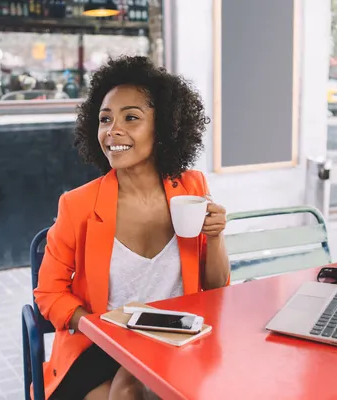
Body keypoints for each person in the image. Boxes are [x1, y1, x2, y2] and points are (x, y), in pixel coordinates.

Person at [34, 56, 231, 400]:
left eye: (131, 118)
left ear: (165, 127)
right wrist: (100, 327)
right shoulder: (78, 205)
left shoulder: (191, 188)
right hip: (102, 344)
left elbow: (216, 287)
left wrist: (214, 238)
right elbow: (49, 294)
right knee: (128, 392)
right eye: (105, 119)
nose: (113, 130)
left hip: (177, 337)